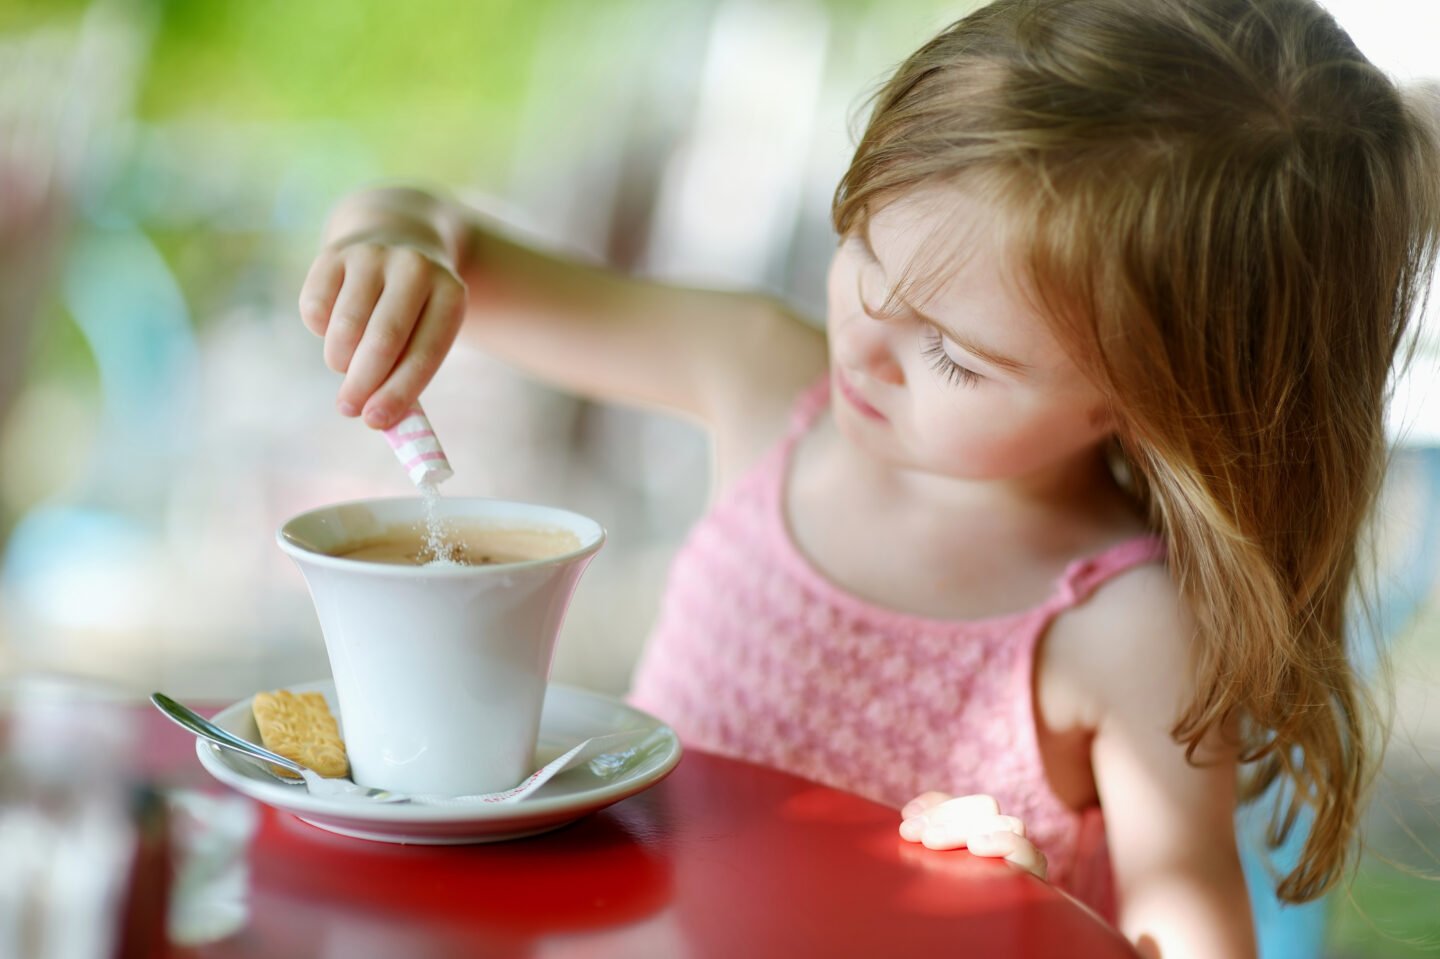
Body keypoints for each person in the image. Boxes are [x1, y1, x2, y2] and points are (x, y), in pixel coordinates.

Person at [297, 0, 1440, 955]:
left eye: (954, 352)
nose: (865, 341)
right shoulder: (760, 378)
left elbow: (1187, 933)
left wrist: (1039, 915)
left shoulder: (1123, 624)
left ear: (1156, 400)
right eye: (864, 251)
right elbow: (456, 241)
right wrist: (388, 243)